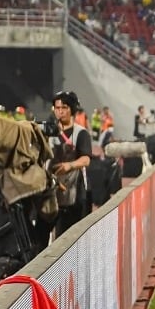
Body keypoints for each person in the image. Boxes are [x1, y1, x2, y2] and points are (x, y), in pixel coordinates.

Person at [49, 91, 93, 237]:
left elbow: (86, 159)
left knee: (73, 236)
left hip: (75, 193)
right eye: (57, 108)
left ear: (72, 109)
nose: (60, 111)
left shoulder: (81, 133)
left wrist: (70, 165)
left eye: (64, 108)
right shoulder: (49, 132)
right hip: (51, 191)